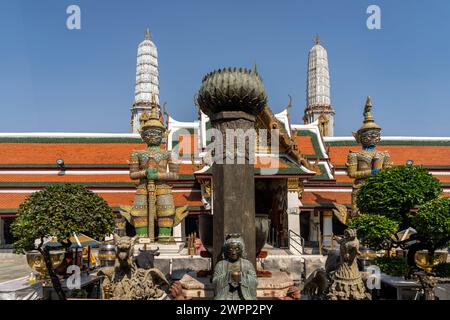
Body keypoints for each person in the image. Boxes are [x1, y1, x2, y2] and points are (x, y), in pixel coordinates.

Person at [212, 234, 257, 300]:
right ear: (226, 251)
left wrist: (242, 277)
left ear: (241, 250)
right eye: (230, 249)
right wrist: (228, 276)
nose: (233, 252)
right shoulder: (220, 265)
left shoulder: (247, 264)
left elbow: (255, 281)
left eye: (236, 249)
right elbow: (215, 282)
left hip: (243, 295)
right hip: (225, 296)